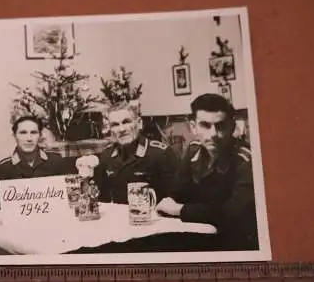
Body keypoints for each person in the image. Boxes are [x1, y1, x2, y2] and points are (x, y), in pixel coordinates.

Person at [156, 93, 259, 251]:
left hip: (237, 245)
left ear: (232, 126)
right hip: (200, 235)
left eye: (220, 126)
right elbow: (176, 193)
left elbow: (232, 213)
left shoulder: (246, 159)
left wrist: (180, 210)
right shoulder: (194, 149)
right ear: (193, 127)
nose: (213, 134)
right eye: (205, 125)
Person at [92, 101, 179, 204]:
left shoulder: (160, 154)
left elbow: (177, 198)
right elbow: (102, 199)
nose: (121, 129)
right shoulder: (107, 155)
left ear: (139, 123)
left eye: (126, 122)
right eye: (115, 125)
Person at [0, 115, 70, 181]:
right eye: (23, 133)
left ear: (40, 136)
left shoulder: (57, 161)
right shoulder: (4, 168)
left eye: (33, 132)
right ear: (15, 136)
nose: (29, 138)